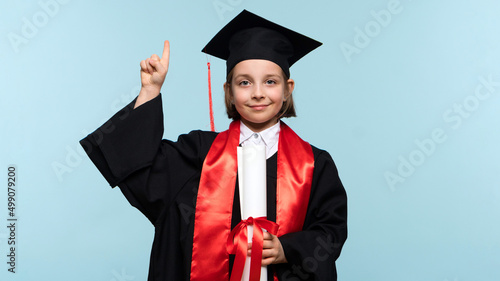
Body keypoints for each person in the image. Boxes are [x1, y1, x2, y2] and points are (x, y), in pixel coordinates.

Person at [80, 10, 347, 281]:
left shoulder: (313, 164)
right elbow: (140, 171)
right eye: (244, 82)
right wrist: (150, 91)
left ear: (287, 88)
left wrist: (286, 249)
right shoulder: (199, 153)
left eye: (270, 81)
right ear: (228, 90)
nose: (257, 92)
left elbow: (330, 232)